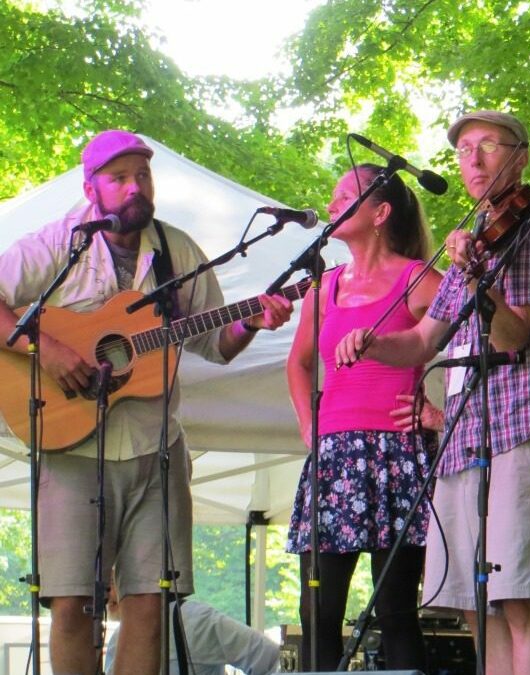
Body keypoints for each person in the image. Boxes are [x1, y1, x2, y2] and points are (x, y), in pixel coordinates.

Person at [0, 129, 293, 675]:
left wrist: (251, 322)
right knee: (72, 606)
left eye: (142, 175)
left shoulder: (175, 250)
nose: (135, 187)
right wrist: (50, 349)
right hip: (72, 452)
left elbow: (216, 344)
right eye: (119, 178)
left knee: (151, 604)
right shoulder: (53, 245)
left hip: (156, 451)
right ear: (92, 188)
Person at [336, 111, 530, 675]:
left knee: (519, 598)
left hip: (522, 427)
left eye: (487, 146)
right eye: (463, 149)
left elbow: (512, 334)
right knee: (474, 606)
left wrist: (473, 277)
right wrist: (372, 343)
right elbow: (424, 339)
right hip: (463, 434)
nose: (471, 160)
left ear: (520, 157)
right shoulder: (470, 241)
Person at [285, 163, 443, 670]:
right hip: (333, 455)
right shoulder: (323, 286)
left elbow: (475, 337)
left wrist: (436, 414)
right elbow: (300, 361)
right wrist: (307, 423)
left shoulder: (415, 277)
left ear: (380, 212)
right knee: (319, 609)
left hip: (397, 451)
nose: (332, 206)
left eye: (345, 195)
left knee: (396, 609)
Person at [104, 576, 280, 675]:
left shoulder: (198, 621)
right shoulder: (117, 639)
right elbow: (270, 659)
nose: (107, 592)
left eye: (113, 581)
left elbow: (270, 657)